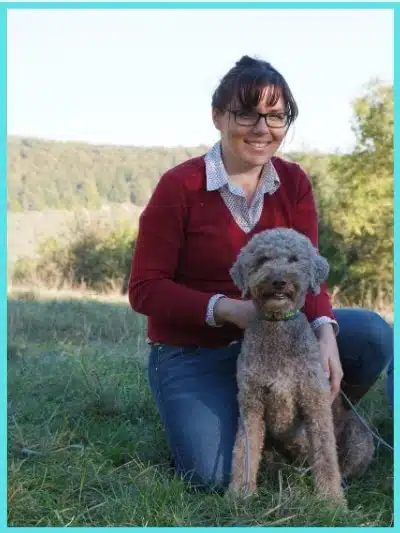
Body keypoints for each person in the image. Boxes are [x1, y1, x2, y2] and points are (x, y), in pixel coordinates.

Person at [128, 55, 393, 490]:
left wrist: (325, 332)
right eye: (246, 112)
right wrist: (230, 310)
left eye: (276, 115)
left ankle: (320, 423)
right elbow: (145, 290)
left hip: (284, 335)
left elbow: (310, 270)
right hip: (195, 352)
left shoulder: (293, 182)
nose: (262, 127)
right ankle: (237, 430)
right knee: (210, 476)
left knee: (370, 334)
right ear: (217, 116)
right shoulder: (180, 186)